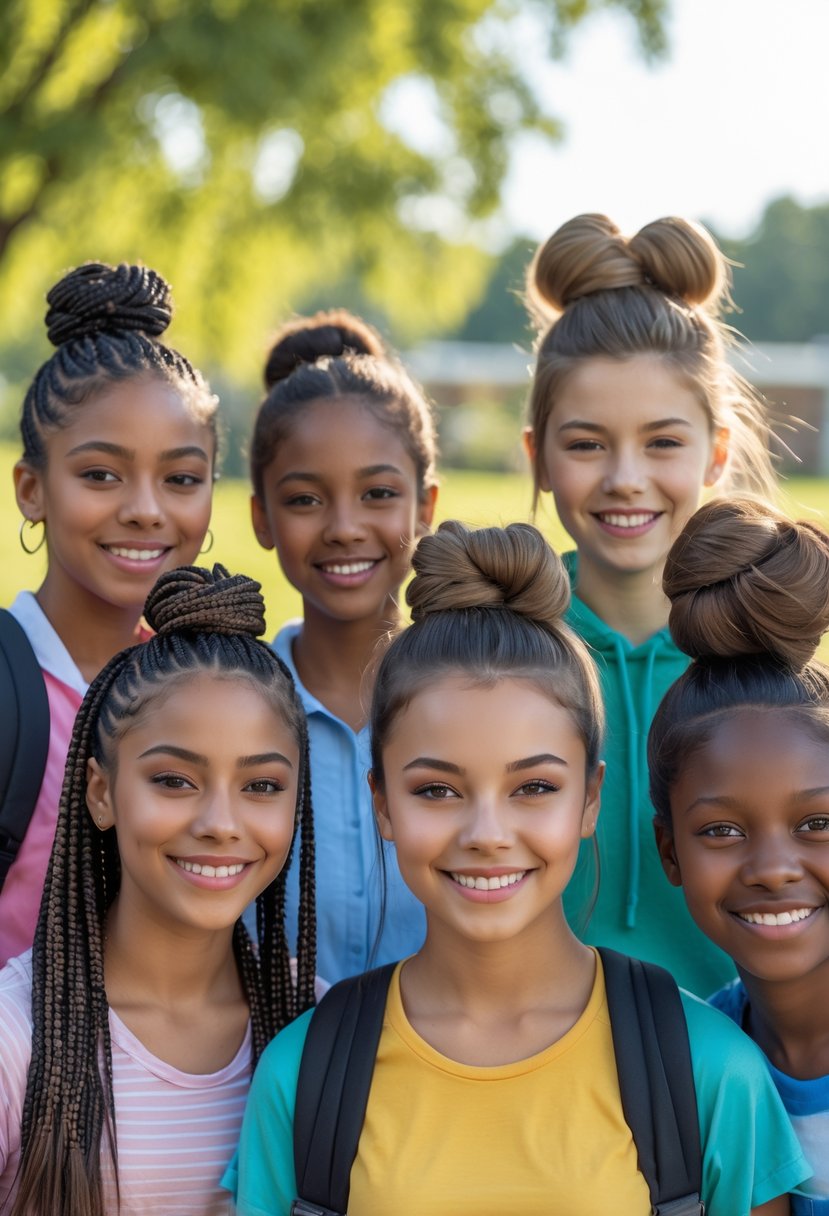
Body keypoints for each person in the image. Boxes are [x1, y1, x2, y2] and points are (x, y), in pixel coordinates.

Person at [229, 520, 808, 1216]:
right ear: (380, 802)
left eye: (533, 788)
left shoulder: (708, 1072)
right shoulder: (305, 1077)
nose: (486, 834)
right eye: (436, 790)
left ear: (590, 798)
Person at [0, 563, 316, 1215]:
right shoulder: (15, 1039)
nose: (220, 824)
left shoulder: (321, 1032)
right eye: (174, 781)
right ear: (102, 793)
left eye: (261, 786)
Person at [522, 212, 779, 995]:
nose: (625, 478)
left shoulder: (767, 656)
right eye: (587, 443)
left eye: (662, 442)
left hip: (734, 1071)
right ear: (537, 455)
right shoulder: (502, 647)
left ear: (717, 453)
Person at [1, 261, 218, 965]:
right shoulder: (12, 692)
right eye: (100, 474)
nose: (145, 510)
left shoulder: (206, 685)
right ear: (32, 489)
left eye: (181, 478)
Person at [649, 496, 829, 1213]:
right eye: (721, 831)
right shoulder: (697, 1064)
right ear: (668, 851)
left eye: (815, 822)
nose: (773, 868)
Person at [249, 309, 438, 983]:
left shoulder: (470, 705)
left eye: (378, 493)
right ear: (261, 518)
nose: (344, 527)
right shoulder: (234, 707)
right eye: (304, 500)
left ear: (425, 507)